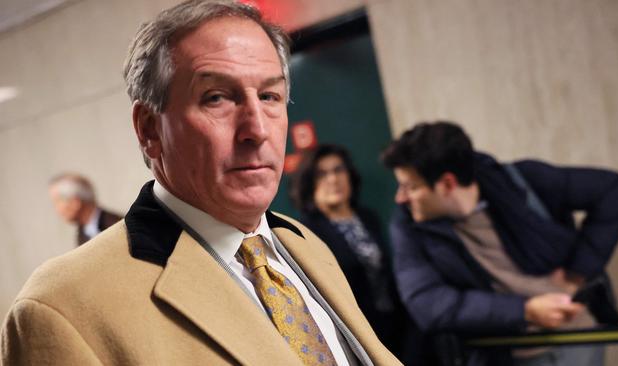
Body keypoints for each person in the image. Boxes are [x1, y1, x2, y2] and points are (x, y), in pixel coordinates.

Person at [0, 1, 400, 365]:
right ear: (149, 129)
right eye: (216, 98)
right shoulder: (62, 308)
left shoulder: (305, 245)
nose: (257, 130)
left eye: (269, 96)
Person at [381, 121, 618, 366]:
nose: (399, 197)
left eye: (410, 187)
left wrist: (577, 274)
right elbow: (428, 303)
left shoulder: (520, 181)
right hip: (507, 353)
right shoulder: (409, 227)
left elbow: (612, 190)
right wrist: (524, 310)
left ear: (447, 183)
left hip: (580, 341)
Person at [290, 144, 411, 361]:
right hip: (355, 336)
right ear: (310, 183)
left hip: (396, 327)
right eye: (322, 174)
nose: (333, 179)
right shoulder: (306, 232)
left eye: (339, 170)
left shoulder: (367, 217)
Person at [48, 173, 122, 245]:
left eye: (57, 202)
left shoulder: (118, 226)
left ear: (75, 202)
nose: (57, 209)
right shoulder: (82, 234)